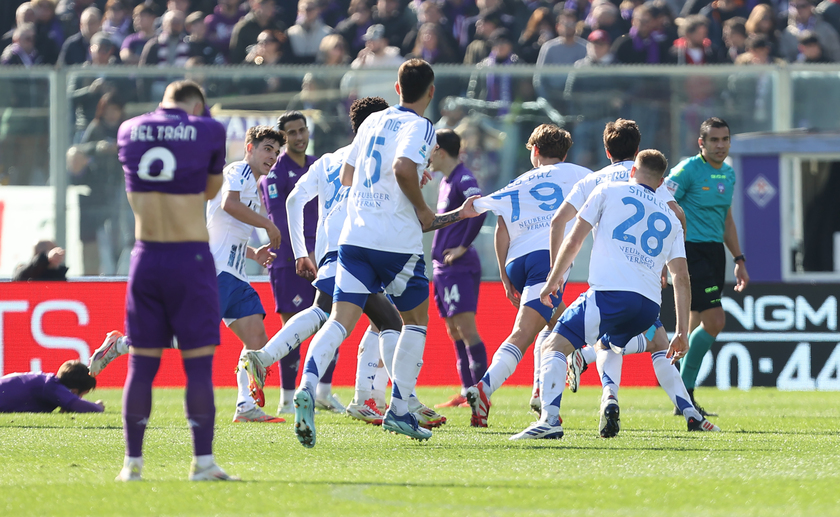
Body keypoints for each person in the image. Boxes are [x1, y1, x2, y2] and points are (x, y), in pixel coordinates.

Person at [291, 59, 479, 447]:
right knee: (415, 321)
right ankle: (399, 409)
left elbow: (348, 176)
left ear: (397, 88)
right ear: (431, 92)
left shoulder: (372, 122)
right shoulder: (421, 125)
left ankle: (307, 385)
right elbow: (402, 169)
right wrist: (423, 210)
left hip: (355, 238)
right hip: (396, 242)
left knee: (339, 321)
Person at [241, 97, 446, 429]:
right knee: (378, 321)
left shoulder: (328, 160)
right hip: (363, 243)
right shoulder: (381, 159)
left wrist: (301, 253)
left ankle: (368, 396)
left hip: (333, 248)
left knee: (351, 316)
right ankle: (398, 400)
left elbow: (295, 199)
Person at [544, 119, 719, 433]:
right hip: (646, 292)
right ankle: (689, 413)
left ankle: (552, 417)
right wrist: (663, 262)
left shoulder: (599, 182)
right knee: (654, 343)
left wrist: (556, 273)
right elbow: (678, 216)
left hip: (610, 285)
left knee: (562, 344)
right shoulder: (658, 189)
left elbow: (561, 223)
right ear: (637, 151)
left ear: (607, 150)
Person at [512, 149, 696, 440]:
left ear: (632, 172)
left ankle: (549, 420)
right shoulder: (671, 218)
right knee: (609, 345)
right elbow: (682, 278)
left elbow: (573, 239)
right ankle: (604, 384)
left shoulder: (608, 190)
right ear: (662, 183)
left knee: (554, 346)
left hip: (609, 294)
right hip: (648, 306)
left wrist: (553, 279)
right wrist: (682, 331)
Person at [115, 80, 234, 481]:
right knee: (198, 366)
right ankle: (202, 463)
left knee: (141, 366)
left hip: (145, 256)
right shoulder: (208, 129)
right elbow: (211, 190)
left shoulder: (129, 129)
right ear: (198, 104)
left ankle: (132, 465)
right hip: (189, 257)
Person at [464, 124, 591, 428]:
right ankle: (484, 387)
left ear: (535, 151)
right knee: (523, 333)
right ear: (565, 153)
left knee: (558, 326)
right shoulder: (579, 174)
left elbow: (501, 228)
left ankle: (541, 393)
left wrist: (506, 279)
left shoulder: (518, 181)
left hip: (516, 261)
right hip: (546, 260)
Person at [664, 117, 749, 416]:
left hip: (714, 253)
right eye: (714, 140)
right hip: (690, 252)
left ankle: (681, 398)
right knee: (715, 322)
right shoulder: (687, 170)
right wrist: (664, 254)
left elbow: (726, 219)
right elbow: (662, 202)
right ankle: (684, 393)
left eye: (725, 139)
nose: (721, 145)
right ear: (701, 143)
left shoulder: (728, 173)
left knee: (694, 324)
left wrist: (739, 259)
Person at [203, 124, 287, 423]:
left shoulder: (254, 181)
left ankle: (245, 406)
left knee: (257, 338)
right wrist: (268, 225)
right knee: (191, 339)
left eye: (277, 152)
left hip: (236, 274)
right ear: (249, 148)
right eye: (267, 149)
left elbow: (227, 227)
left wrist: (253, 253)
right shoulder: (237, 170)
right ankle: (123, 343)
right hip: (216, 272)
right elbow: (229, 205)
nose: (273, 156)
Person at [261, 111, 343, 415]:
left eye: (302, 130)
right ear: (284, 138)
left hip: (322, 257)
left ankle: (323, 391)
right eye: (292, 132)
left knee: (332, 322)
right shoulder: (275, 172)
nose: (299, 137)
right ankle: (286, 396)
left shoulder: (318, 166)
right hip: (289, 260)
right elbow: (278, 217)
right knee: (292, 328)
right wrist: (300, 251)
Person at [428, 129, 489, 409]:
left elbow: (480, 207)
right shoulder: (446, 181)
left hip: (459, 266)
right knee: (454, 330)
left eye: (429, 149)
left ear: (439, 150)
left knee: (467, 328)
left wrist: (463, 246)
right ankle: (467, 392)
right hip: (443, 268)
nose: (426, 154)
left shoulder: (464, 177)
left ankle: (482, 392)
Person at [0, 360, 102, 413]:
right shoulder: (50, 386)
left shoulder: (47, 383)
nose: (80, 398)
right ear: (74, 391)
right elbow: (77, 404)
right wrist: (99, 406)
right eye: (82, 395)